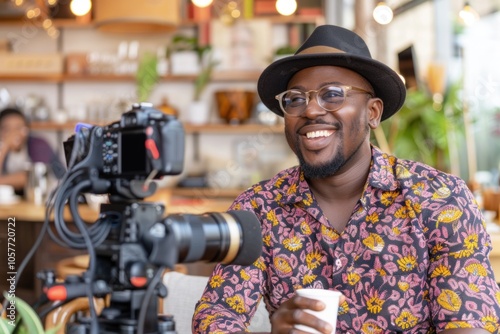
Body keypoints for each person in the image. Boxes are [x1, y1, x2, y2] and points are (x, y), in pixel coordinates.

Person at [192, 25, 500, 333]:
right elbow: (216, 316)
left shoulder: (440, 199)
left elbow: (467, 324)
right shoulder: (258, 208)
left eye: (333, 94)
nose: (310, 109)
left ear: (373, 112)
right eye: (295, 99)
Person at [0, 107, 65, 192]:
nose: (14, 133)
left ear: (27, 129)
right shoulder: (4, 149)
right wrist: (5, 146)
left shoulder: (39, 144)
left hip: (53, 196)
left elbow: (32, 178)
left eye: (19, 127)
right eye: (7, 129)